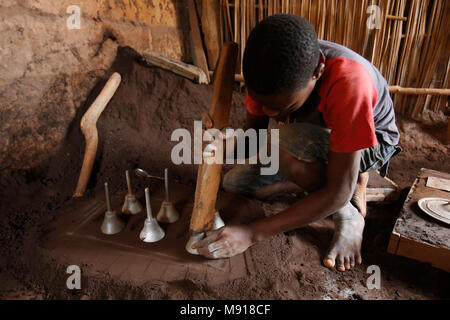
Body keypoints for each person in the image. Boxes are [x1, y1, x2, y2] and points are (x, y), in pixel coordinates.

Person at [192, 14, 401, 272]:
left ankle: (350, 211)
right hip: (308, 136)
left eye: (281, 107)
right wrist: (223, 146)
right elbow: (255, 139)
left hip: (371, 141)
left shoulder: (349, 83)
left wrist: (251, 233)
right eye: (262, 104)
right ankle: (304, 176)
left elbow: (335, 189)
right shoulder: (265, 72)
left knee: (282, 144)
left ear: (317, 73)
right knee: (236, 183)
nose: (268, 113)